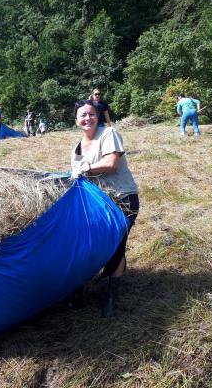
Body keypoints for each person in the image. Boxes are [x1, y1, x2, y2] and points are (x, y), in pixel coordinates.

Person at [70, 100, 140, 317]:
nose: (87, 118)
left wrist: (87, 168)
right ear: (76, 120)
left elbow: (111, 164)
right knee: (89, 246)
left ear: (97, 116)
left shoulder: (108, 134)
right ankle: (78, 290)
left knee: (116, 247)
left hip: (122, 199)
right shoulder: (77, 147)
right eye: (82, 115)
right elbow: (79, 178)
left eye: (91, 114)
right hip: (98, 203)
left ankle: (111, 295)